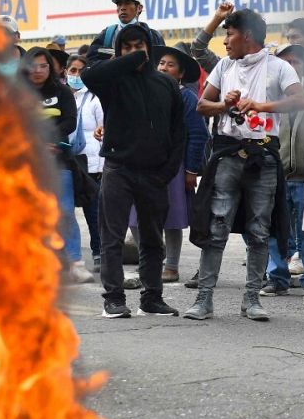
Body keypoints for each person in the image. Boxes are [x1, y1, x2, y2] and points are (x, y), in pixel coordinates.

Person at [188, 8, 304, 322]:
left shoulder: (279, 67)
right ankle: (204, 300)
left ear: (248, 36)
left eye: (229, 34)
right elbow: (203, 105)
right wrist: (224, 105)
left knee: (259, 230)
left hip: (265, 157)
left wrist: (260, 105)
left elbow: (300, 100)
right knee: (216, 227)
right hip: (227, 156)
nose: (225, 41)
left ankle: (252, 299)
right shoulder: (224, 66)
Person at [82, 23, 186, 319]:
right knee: (112, 237)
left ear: (149, 48)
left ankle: (152, 297)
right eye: (125, 47)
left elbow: (178, 131)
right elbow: (89, 74)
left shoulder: (165, 83)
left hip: (155, 172)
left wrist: (167, 170)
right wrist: (128, 59)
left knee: (152, 239)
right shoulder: (112, 81)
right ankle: (113, 299)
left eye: (138, 46)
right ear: (118, 51)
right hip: (118, 168)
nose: (132, 52)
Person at [261, 43, 304, 297]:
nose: (291, 66)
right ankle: (277, 277)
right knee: (275, 231)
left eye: (296, 62)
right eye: (286, 62)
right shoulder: (268, 97)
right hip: (275, 174)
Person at [21, 46, 90, 284]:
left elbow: (69, 122)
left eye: (43, 66)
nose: (38, 71)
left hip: (59, 161)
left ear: (51, 68)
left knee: (65, 211)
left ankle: (76, 263)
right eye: (33, 65)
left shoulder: (62, 92)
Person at [151, 44, 207, 285]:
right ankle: (153, 258)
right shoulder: (148, 94)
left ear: (181, 73)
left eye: (170, 64)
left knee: (172, 218)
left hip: (175, 166)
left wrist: (191, 169)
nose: (163, 67)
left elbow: (199, 134)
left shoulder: (187, 97)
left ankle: (171, 266)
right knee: (136, 215)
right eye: (161, 63)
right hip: (146, 164)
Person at [68, 54, 104, 272]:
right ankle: (70, 256)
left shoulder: (95, 99)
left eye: (81, 71)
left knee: (93, 212)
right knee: (66, 211)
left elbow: (104, 128)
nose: (77, 75)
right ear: (65, 72)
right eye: (73, 70)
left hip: (91, 162)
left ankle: (99, 252)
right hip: (68, 161)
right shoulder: (63, 97)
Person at [88, 0, 159, 60]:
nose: (122, 8)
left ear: (139, 8)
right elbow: (91, 58)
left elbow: (160, 60)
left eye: (127, 3)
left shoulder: (153, 35)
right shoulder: (106, 34)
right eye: (119, 4)